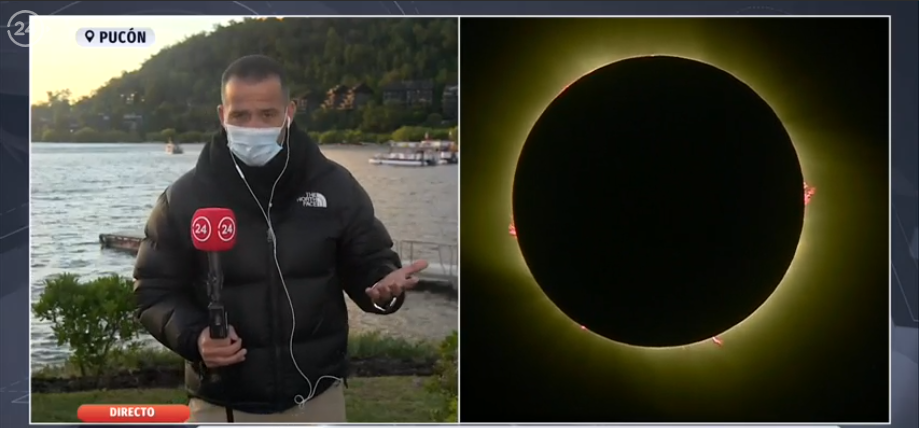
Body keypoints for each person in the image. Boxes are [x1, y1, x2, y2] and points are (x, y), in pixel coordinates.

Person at [133, 55, 429, 423]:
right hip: (222, 403)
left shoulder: (335, 186)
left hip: (318, 395)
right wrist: (195, 338)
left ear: (289, 112)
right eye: (240, 116)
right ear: (221, 114)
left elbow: (369, 262)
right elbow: (153, 293)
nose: (253, 126)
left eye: (268, 114)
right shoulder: (182, 199)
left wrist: (383, 286)